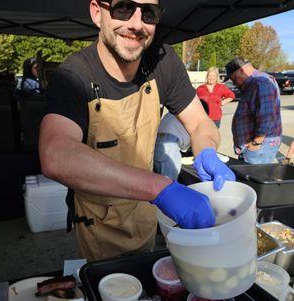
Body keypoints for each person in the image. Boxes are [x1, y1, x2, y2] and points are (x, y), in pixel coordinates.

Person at [39, 0, 235, 261]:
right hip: (100, 223)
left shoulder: (162, 61)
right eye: (123, 8)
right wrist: (161, 188)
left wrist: (207, 150)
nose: (136, 24)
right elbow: (56, 154)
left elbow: (199, 122)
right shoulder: (73, 75)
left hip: (145, 210)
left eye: (149, 13)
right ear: (98, 12)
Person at [224, 57, 282, 164]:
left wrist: (256, 143)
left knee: (251, 180)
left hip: (259, 148)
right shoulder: (252, 83)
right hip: (254, 147)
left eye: (234, 79)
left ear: (241, 70)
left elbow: (267, 116)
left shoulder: (261, 83)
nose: (235, 84)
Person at [153, 100, 210, 181]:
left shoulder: (178, 113)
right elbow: (196, 140)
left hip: (155, 143)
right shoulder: (193, 118)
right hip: (168, 146)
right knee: (169, 182)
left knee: (160, 179)